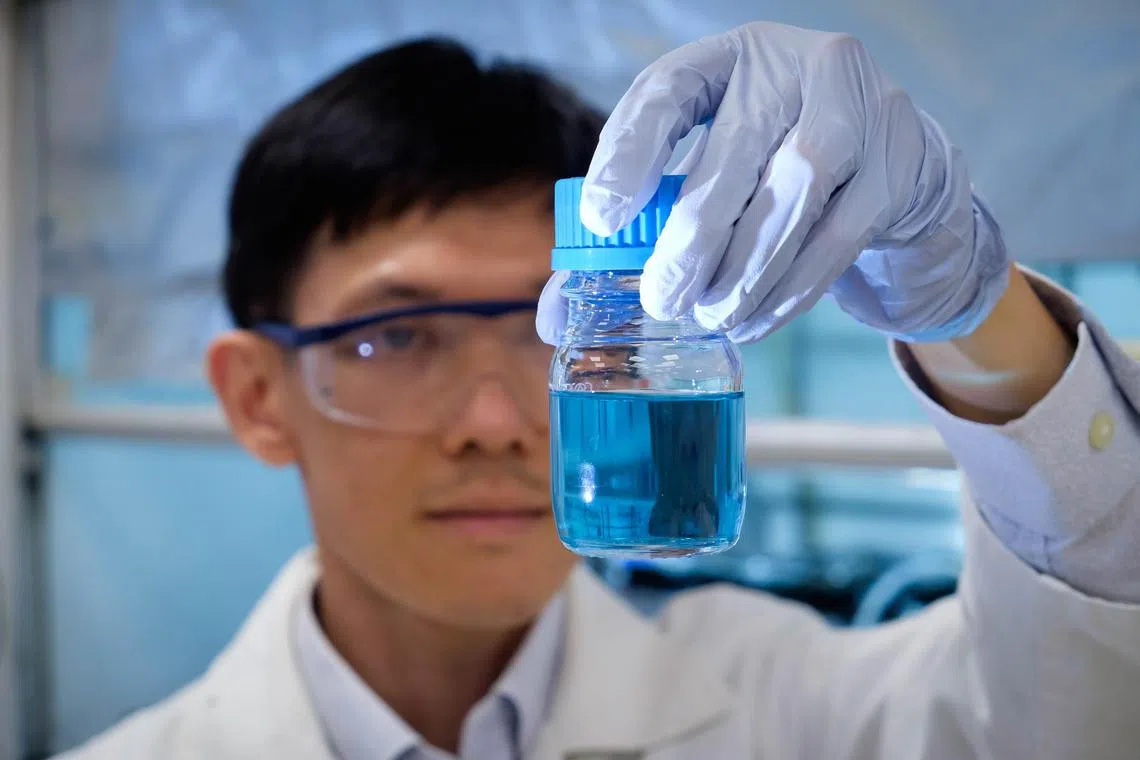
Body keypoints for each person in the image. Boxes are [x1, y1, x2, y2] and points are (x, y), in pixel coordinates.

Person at [58, 22, 1140, 760]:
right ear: (257, 396)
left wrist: (968, 310)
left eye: (554, 329)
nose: (496, 424)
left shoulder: (790, 706)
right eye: (398, 337)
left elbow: (1084, 702)